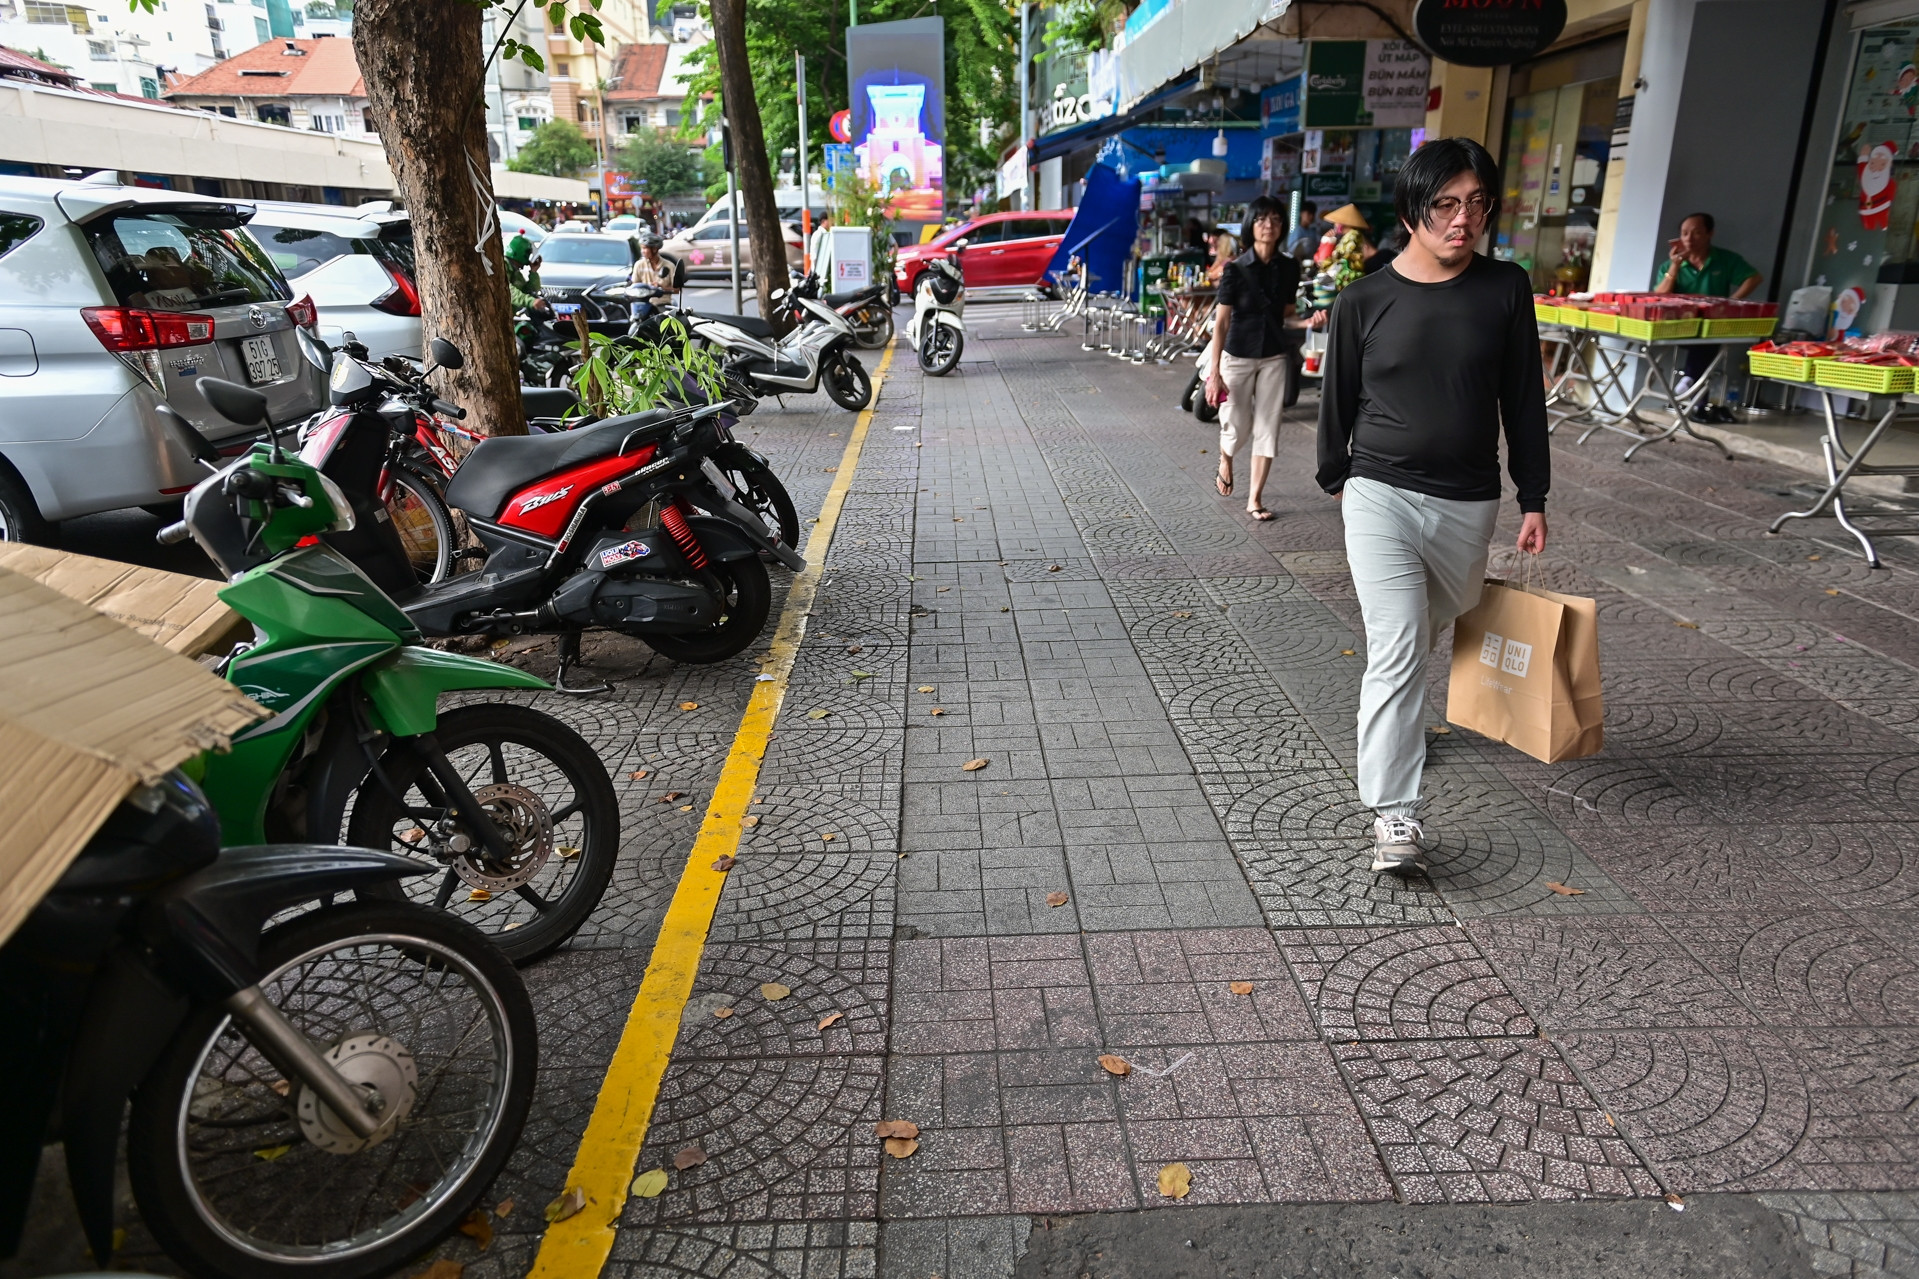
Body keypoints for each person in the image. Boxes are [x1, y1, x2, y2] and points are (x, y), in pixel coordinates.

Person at [1316, 137, 1549, 875]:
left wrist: (1532, 495)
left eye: (1476, 203)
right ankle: (1394, 816)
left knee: (1432, 624)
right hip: (1378, 490)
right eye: (1446, 204)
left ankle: (1398, 723)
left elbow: (1523, 399)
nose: (1463, 219)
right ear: (1413, 209)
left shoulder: (1505, 289)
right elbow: (1336, 398)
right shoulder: (1362, 299)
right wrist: (1339, 481)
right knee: (1397, 645)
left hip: (1466, 501)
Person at [1204, 195, 1301, 522]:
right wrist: (1214, 372)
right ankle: (1226, 458)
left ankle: (1255, 499)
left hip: (1274, 355)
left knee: (1268, 428)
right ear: (1251, 225)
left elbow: (1287, 313)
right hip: (1238, 355)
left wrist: (1306, 322)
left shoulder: (1290, 267)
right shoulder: (1235, 270)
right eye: (1261, 219)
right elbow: (1221, 324)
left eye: (1275, 219)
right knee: (1237, 427)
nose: (1269, 225)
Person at [1651, 211, 1762, 419]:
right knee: (1706, 342)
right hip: (1678, 325)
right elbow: (1660, 295)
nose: (1689, 239)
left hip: (1712, 324)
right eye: (1684, 234)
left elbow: (1754, 278)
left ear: (1710, 234)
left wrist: (1732, 301)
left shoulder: (1725, 259)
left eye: (1696, 233)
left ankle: (1695, 396)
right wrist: (1675, 265)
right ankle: (1692, 384)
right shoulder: (1670, 265)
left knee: (1710, 338)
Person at [505, 233, 548, 316]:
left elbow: (530, 291)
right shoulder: (504, 266)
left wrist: (533, 272)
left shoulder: (516, 273)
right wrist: (531, 301)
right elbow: (507, 290)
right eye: (528, 254)